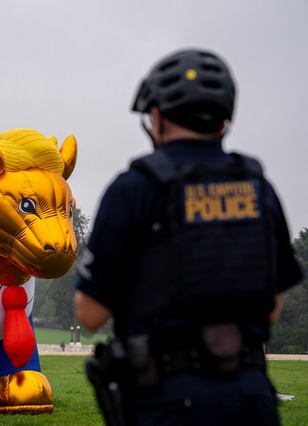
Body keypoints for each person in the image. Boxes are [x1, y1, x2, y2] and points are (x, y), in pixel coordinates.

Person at [74, 48, 304, 426]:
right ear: (223, 122)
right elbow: (272, 307)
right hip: (250, 395)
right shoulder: (258, 187)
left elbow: (90, 313)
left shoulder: (134, 188)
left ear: (157, 118)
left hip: (165, 398)